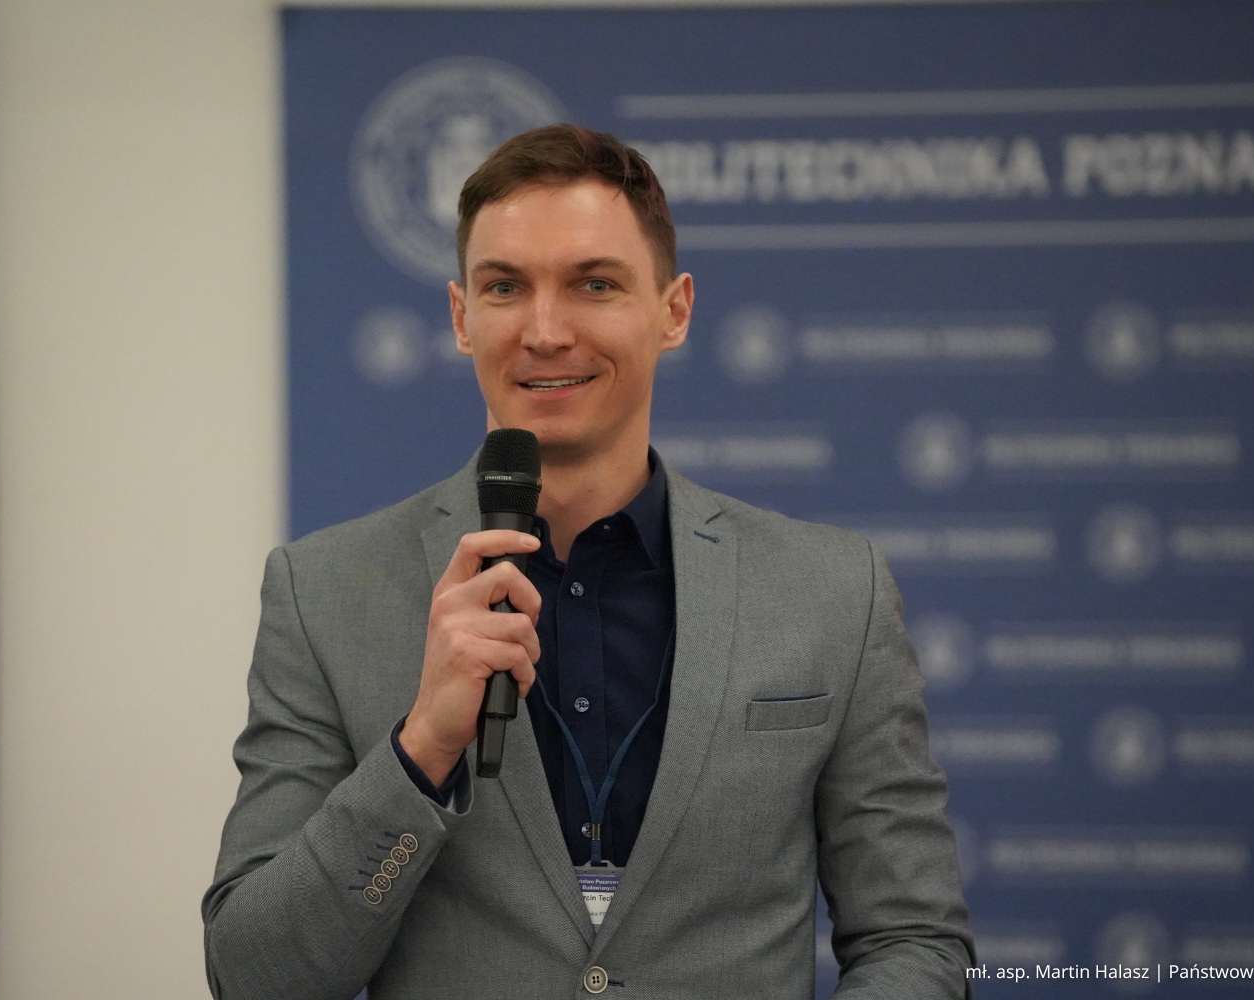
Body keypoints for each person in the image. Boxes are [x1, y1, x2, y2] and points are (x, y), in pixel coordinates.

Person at [203, 124, 973, 999]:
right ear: (461, 317)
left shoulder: (833, 592)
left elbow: (915, 941)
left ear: (673, 311)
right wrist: (422, 750)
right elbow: (254, 976)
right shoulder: (323, 595)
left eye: (594, 284)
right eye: (505, 287)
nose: (544, 330)